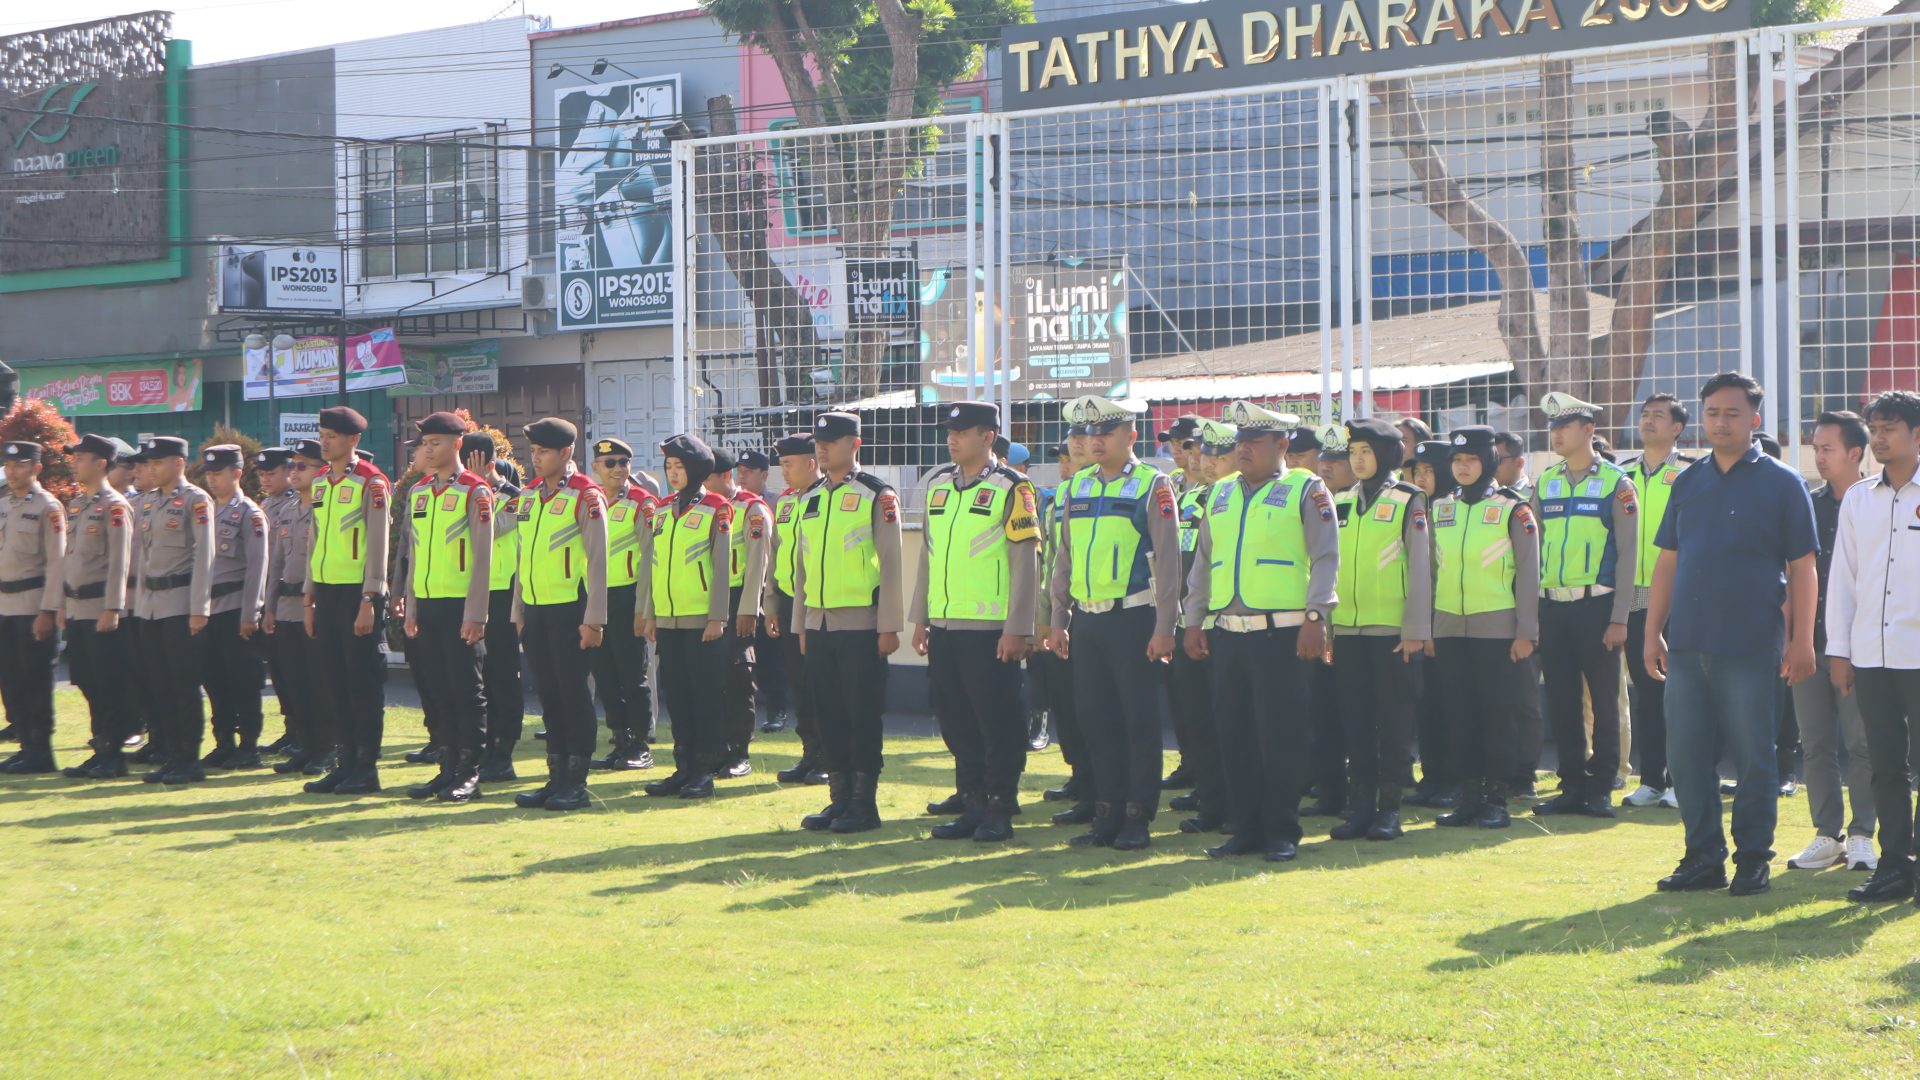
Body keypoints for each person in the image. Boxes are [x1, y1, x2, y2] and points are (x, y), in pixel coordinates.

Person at [1646, 372, 1820, 898]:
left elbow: (1804, 567)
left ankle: (1752, 860)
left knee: (1753, 756)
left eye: (1732, 413)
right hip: (1688, 644)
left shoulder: (1783, 482)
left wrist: (1802, 640)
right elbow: (1668, 562)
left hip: (1750, 644)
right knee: (1686, 757)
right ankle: (1703, 858)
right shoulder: (1688, 481)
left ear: (1754, 419)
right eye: (1713, 413)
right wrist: (1653, 631)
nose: (1721, 422)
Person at [1182, 401, 1338, 861]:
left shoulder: (1306, 489)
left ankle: (1282, 831)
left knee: (1281, 736)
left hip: (1282, 633)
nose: (1244, 449)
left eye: (1254, 441)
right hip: (1227, 633)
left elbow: (1326, 557)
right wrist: (1194, 621)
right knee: (1235, 735)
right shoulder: (1220, 492)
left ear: (1282, 444)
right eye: (1241, 441)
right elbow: (1203, 564)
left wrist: (1316, 617)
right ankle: (1245, 829)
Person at [1047, 397, 1181, 851]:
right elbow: (1064, 557)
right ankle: (1105, 815)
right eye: (1090, 434)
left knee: (1136, 721)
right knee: (1096, 720)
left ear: (1131, 437)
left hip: (1134, 618)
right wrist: (1059, 617)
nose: (1096, 442)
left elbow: (1168, 560)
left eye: (1106, 433)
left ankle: (1137, 817)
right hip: (1087, 621)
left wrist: (1166, 626)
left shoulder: (1152, 484)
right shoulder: (1079, 485)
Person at [911, 401, 1041, 842]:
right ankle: (971, 805)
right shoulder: (939, 486)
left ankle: (1000, 808)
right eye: (950, 432)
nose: (952, 439)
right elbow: (929, 557)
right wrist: (921, 617)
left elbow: (1026, 562)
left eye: (962, 432)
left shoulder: (1013, 488)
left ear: (988, 437)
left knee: (997, 722)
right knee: (956, 721)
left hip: (991, 631)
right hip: (946, 625)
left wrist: (1018, 627)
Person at [792, 412, 904, 834]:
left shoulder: (877, 494)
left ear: (854, 444)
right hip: (819, 624)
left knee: (861, 715)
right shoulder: (811, 498)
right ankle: (838, 799)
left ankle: (863, 803)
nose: (822, 448)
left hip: (861, 625)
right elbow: (802, 566)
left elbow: (891, 564)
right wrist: (801, 623)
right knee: (828, 715)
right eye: (818, 442)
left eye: (832, 441)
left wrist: (888, 625)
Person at [1829, 391, 1920, 903]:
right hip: (1871, 653)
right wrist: (1839, 651)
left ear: (1917, 434)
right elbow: (1843, 578)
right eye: (1874, 428)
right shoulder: (1859, 498)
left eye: (1890, 428)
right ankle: (1894, 867)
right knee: (1884, 766)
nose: (1878, 438)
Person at [1530, 393, 1637, 819]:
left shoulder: (1616, 483)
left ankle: (1601, 787)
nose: (1555, 435)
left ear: (1588, 430)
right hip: (1552, 608)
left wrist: (1619, 618)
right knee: (1561, 700)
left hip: (1598, 607)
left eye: (1563, 427)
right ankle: (1571, 785)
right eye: (1552, 428)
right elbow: (1533, 552)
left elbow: (1628, 555)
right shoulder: (1546, 482)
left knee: (1605, 701)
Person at [1430, 427, 1541, 830]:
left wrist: (1526, 632)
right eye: (1457, 460)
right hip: (1449, 628)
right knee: (1459, 715)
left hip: (1498, 630)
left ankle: (1496, 800)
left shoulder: (1514, 509)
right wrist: (1428, 627)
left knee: (1498, 716)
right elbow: (1431, 571)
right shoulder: (1441, 508)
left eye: (1472, 460)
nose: (1463, 467)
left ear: (1488, 462)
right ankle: (1469, 798)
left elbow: (1528, 574)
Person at [1329, 418, 1432, 841]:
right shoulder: (1340, 500)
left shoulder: (1409, 499)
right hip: (1347, 630)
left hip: (1392, 632)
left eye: (1366, 452)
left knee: (1393, 723)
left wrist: (1415, 629)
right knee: (1354, 723)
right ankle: (1359, 809)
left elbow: (1421, 567)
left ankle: (1389, 810)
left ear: (1388, 455)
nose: (1357, 460)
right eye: (1353, 452)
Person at [1785, 411, 1877, 873]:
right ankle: (1828, 834)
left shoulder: (1877, 503)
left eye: (1828, 449)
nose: (1818, 457)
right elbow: (1789, 574)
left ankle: (1863, 835)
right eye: (1815, 448)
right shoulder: (1807, 504)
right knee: (1815, 743)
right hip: (1809, 643)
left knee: (1863, 744)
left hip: (1864, 648)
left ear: (1855, 453)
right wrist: (1792, 639)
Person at [511, 418, 609, 812]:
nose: (535, 458)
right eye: (533, 451)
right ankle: (555, 778)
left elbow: (599, 562)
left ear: (566, 453)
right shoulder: (530, 495)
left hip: (572, 609)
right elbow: (522, 557)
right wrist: (518, 610)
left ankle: (576, 782)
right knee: (548, 696)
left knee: (573, 696)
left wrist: (594, 619)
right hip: (536, 610)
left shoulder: (586, 495)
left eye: (543, 452)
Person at [399, 412, 495, 802]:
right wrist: (411, 606)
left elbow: (483, 558)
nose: (428, 449)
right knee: (438, 691)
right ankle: (447, 767)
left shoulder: (475, 491)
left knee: (466, 692)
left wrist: (476, 614)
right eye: (424, 443)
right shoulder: (419, 492)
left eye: (435, 442)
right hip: (428, 605)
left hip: (460, 606)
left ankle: (469, 773)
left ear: (457, 444)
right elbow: (414, 555)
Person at [302, 408, 392, 796]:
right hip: (326, 591)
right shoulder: (322, 482)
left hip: (358, 593)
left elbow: (378, 542)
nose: (325, 443)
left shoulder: (371, 482)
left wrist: (370, 596)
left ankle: (365, 768)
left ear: (353, 440)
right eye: (322, 436)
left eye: (332, 437)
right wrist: (308, 595)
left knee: (361, 684)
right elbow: (315, 539)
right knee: (334, 683)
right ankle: (344, 764)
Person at [639, 434, 733, 799]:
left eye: (679, 467)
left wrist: (717, 617)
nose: (673, 473)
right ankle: (683, 767)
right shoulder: (662, 509)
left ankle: (704, 770)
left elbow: (722, 567)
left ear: (695, 469)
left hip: (701, 620)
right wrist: (650, 613)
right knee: (677, 697)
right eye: (669, 467)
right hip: (667, 619)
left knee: (704, 697)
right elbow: (652, 565)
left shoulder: (716, 508)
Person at [1619, 394, 1697, 810]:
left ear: (1677, 428)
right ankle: (1651, 779)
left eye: (1658, 416)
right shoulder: (1623, 475)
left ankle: (1683, 781)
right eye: (1645, 415)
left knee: (1684, 694)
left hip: (1680, 597)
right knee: (1647, 693)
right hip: (1634, 598)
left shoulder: (1691, 473)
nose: (1648, 421)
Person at [131, 437, 214, 786]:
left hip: (180, 604)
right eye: (149, 463)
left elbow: (205, 555)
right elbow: (142, 558)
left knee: (183, 684)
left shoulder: (195, 500)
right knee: (159, 683)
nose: (151, 469)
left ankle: (189, 760)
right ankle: (171, 755)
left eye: (158, 462)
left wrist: (199, 608)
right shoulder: (148, 502)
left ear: (179, 463)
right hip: (150, 605)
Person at [1170, 418, 1236, 835]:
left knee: (1229, 721)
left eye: (1218, 455)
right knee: (1197, 719)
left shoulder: (1239, 499)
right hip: (1188, 621)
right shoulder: (1192, 498)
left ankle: (1235, 805)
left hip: (1226, 624)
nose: (1207, 462)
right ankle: (1210, 800)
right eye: (1204, 454)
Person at [58, 434, 135, 779]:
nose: (74, 463)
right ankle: (100, 747)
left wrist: (113, 607)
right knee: (86, 679)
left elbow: (121, 560)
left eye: (81, 458)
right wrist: (61, 603)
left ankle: (113, 754)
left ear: (101, 463)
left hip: (101, 608)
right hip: (77, 606)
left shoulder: (115, 506)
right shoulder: (78, 505)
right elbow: (69, 559)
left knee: (108, 682)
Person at [588, 437, 660, 773]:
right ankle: (619, 740)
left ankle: (640, 744)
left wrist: (643, 608)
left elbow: (649, 558)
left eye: (623, 462)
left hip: (628, 596)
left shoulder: (642, 503)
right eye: (610, 463)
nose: (618, 469)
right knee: (605, 675)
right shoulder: (590, 500)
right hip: (596, 599)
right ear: (596, 467)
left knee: (633, 675)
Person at [197, 445, 269, 770]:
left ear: (236, 473)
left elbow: (257, 566)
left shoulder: (249, 514)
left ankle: (249, 745)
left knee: (243, 680)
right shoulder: (207, 511)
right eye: (209, 474)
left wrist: (250, 613)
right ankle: (223, 742)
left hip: (236, 607)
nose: (212, 479)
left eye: (218, 473)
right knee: (214, 679)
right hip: (210, 609)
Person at [1037, 433, 1096, 826]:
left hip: (1088, 612)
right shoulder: (1056, 498)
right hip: (1058, 612)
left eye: (1069, 455)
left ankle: (1097, 784)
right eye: (1060, 457)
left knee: (1088, 706)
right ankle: (1079, 774)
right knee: (1063, 702)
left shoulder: (1095, 494)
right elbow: (1049, 562)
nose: (1064, 463)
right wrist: (1044, 615)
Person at [0, 440, 67, 775]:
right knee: (11, 681)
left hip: (32, 605)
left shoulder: (48, 507)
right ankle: (26, 745)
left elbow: (57, 562)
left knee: (34, 680)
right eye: (9, 466)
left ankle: (41, 751)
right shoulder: (3, 504)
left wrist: (48, 610)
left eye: (20, 465)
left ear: (36, 468)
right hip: (5, 605)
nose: (12, 472)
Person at [764, 434, 827, 784]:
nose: (783, 472)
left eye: (788, 464)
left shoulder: (826, 496)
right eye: (781, 464)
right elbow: (775, 555)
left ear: (811, 462)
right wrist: (771, 603)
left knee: (820, 683)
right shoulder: (785, 502)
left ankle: (828, 757)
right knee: (799, 683)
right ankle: (809, 753)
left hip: (817, 604)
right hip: (788, 602)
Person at [707, 447, 772, 778]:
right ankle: (716, 747)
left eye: (707, 477)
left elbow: (758, 562)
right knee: (711, 678)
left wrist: (749, 608)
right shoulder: (704, 506)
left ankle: (739, 751)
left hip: (738, 600)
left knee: (737, 676)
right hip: (706, 601)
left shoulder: (750, 508)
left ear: (725, 475)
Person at [465, 438, 525, 782]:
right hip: (472, 592)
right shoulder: (465, 492)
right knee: (478, 678)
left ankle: (503, 751)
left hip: (503, 597)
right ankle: (482, 748)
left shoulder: (515, 497)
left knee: (502, 675)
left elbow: (490, 529)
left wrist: (481, 488)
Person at [264, 443, 324, 776]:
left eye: (303, 466)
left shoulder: (324, 506)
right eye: (293, 465)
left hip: (312, 605)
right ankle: (304, 745)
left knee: (317, 683)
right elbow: (276, 562)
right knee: (293, 683)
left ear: (321, 470)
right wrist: (269, 607)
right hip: (286, 607)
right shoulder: (287, 510)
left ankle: (324, 749)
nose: (294, 472)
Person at [1304, 424, 1351, 818]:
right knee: (1322, 715)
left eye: (1338, 460)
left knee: (1357, 716)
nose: (1327, 466)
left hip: (1358, 627)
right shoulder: (1314, 504)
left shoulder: (1363, 504)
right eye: (1325, 459)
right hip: (1320, 627)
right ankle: (1329, 788)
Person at [1160, 414, 1206, 790]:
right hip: (1170, 607)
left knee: (1201, 696)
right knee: (1179, 696)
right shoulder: (1170, 485)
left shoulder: (1214, 489)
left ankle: (1207, 773)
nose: (1180, 451)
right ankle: (1189, 763)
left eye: (1188, 444)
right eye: (1174, 444)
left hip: (1201, 607)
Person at [737, 448, 791, 735]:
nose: (741, 477)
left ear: (764, 475)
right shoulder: (734, 504)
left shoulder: (776, 503)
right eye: (739, 472)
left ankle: (777, 710)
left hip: (769, 589)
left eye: (748, 472)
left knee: (771, 657)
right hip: (742, 587)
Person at [1493, 431, 1532, 496]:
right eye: (1489, 460)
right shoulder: (1484, 495)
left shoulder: (1534, 496)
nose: (1491, 466)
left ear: (1520, 463)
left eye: (1497, 460)